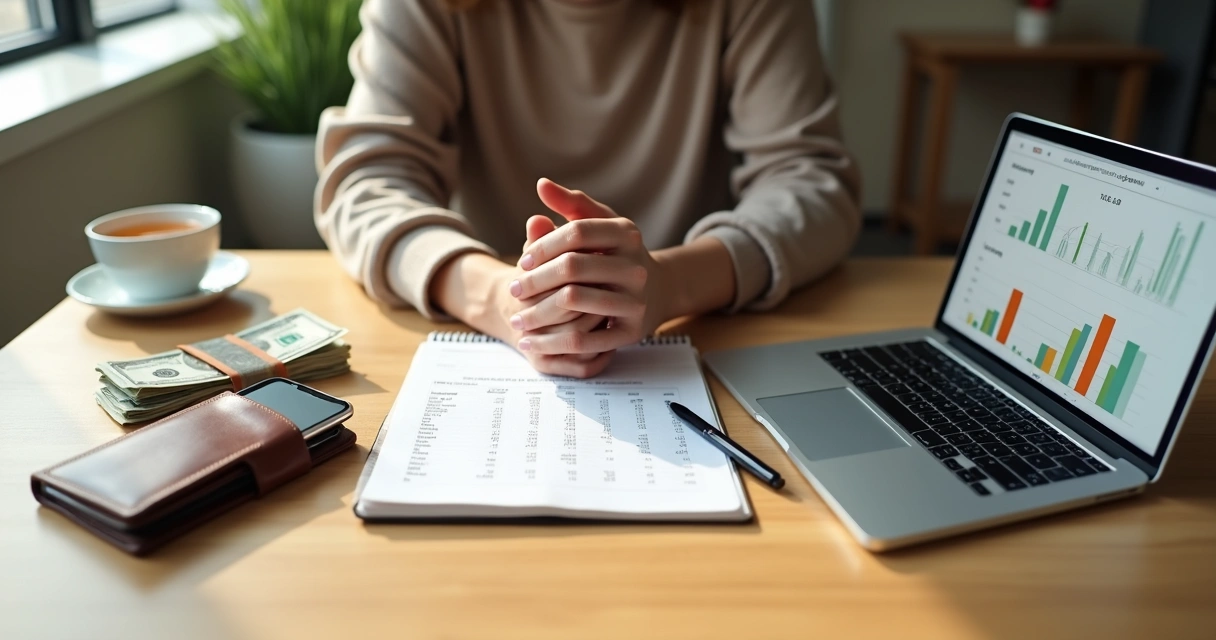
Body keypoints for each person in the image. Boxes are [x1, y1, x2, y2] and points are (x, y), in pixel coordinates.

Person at [315, 0, 861, 377]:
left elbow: (811, 181)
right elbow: (367, 181)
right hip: (496, 322)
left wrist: (672, 283)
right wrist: (501, 300)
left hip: (700, 336)